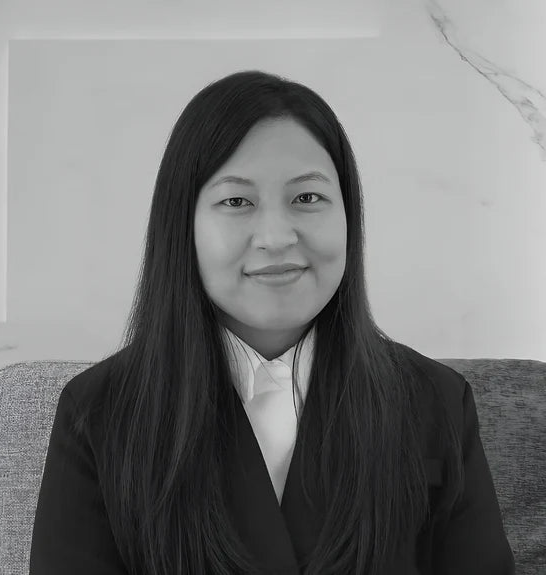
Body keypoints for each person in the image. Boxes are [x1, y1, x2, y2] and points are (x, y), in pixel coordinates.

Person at [29, 70, 515, 575]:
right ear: (183, 226)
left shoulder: (435, 402)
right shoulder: (100, 414)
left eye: (307, 198)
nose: (277, 236)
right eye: (236, 202)